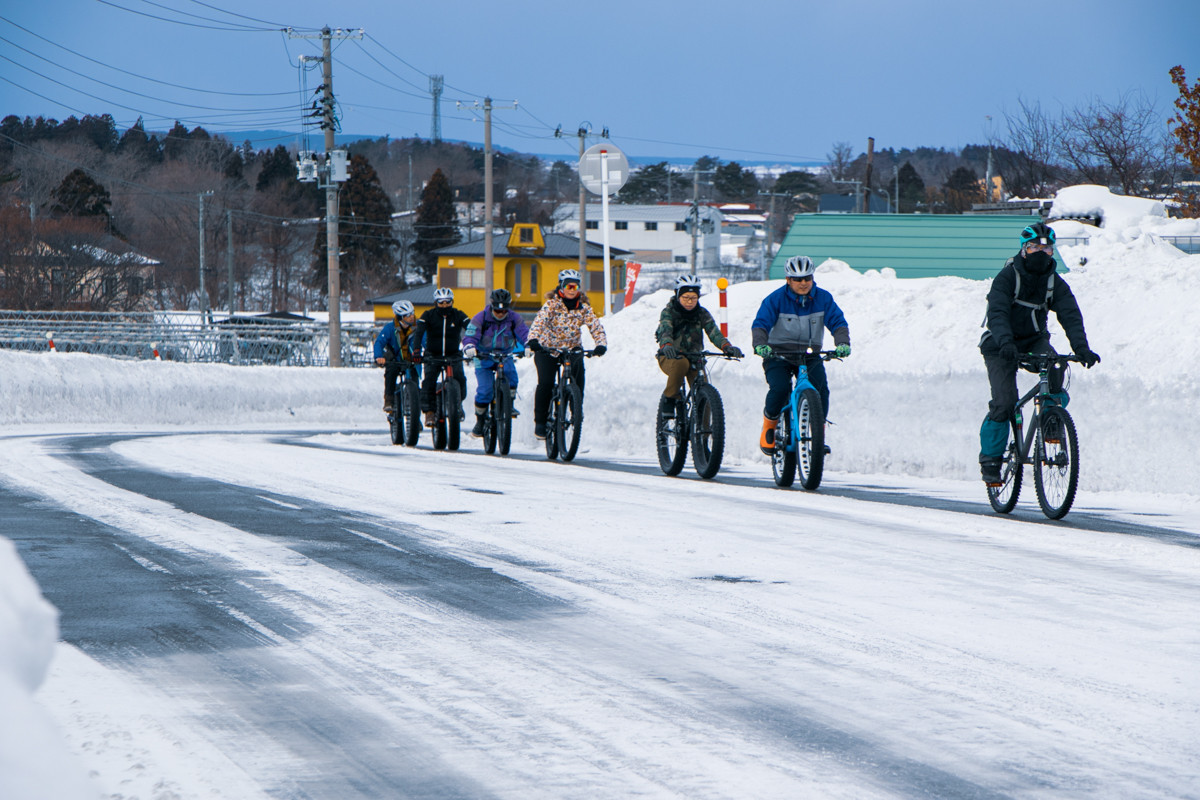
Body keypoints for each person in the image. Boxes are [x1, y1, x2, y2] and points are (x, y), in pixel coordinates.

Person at [978, 222, 1100, 484]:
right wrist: (1006, 342)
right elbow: (997, 313)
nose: (1040, 252)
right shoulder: (1008, 277)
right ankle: (990, 460)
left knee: (1056, 366)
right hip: (1000, 345)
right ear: (1024, 249)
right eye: (1034, 247)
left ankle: (1051, 422)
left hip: (1033, 342)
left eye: (1046, 248)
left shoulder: (1054, 282)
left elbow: (1070, 315)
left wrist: (1081, 348)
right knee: (1005, 402)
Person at [751, 255, 851, 455]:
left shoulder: (823, 298)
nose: (803, 283)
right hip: (778, 354)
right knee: (779, 389)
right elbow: (760, 324)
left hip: (809, 355)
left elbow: (838, 322)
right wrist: (761, 344)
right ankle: (769, 426)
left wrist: (842, 342)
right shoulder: (775, 299)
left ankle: (818, 434)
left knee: (820, 388)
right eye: (798, 279)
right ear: (788, 280)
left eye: (807, 278)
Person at [525, 269, 607, 440]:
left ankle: (575, 409)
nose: (572, 289)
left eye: (576, 286)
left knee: (578, 377)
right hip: (548, 349)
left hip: (572, 348)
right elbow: (539, 322)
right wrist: (533, 340)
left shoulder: (583, 308)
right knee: (546, 383)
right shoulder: (551, 305)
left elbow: (596, 326)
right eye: (569, 286)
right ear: (561, 287)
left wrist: (600, 344)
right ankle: (540, 421)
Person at [654, 274, 743, 418]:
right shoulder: (669, 312)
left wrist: (727, 347)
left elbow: (714, 332)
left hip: (695, 357)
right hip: (671, 355)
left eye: (693, 298)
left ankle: (704, 434)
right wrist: (667, 345)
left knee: (704, 394)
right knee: (681, 363)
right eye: (685, 297)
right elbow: (665, 330)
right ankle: (669, 399)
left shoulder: (701, 313)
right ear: (677, 295)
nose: (689, 302)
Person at [462, 288, 529, 437]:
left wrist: (529, 345)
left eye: (503, 311)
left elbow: (524, 332)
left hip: (504, 354)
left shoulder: (514, 318)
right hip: (483, 356)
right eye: (497, 311)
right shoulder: (481, 317)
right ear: (492, 306)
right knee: (485, 390)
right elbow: (470, 335)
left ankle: (509, 404)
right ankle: (480, 420)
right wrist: (469, 347)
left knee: (511, 374)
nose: (500, 314)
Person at [412, 287, 470, 428]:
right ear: (435, 302)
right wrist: (417, 351)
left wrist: (474, 345)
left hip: (453, 354)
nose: (444, 305)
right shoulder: (428, 315)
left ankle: (458, 404)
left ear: (452, 302)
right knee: (429, 381)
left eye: (447, 302)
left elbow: (471, 328)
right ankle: (430, 412)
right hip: (433, 354)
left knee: (460, 378)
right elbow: (419, 333)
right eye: (441, 303)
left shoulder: (458, 315)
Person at [373, 300, 420, 413]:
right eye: (407, 315)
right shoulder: (390, 328)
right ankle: (389, 400)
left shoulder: (418, 328)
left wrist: (428, 353)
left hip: (412, 361)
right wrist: (379, 356)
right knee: (391, 373)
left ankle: (415, 417)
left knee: (415, 384)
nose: (411, 317)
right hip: (396, 361)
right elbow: (379, 342)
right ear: (400, 317)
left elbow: (425, 341)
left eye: (412, 313)